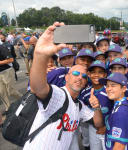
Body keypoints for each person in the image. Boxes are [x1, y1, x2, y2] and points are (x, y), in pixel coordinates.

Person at [23, 22, 104, 150]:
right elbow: (37, 88)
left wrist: (96, 107)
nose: (80, 77)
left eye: (84, 76)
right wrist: (40, 56)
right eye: (76, 73)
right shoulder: (56, 93)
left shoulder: (79, 106)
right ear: (67, 76)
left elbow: (97, 122)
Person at [80, 60, 113, 150]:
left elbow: (117, 111)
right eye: (93, 72)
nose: (96, 75)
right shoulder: (85, 92)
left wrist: (106, 127)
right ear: (89, 74)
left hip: (110, 128)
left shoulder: (110, 91)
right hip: (93, 129)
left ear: (105, 75)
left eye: (100, 72)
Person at [99, 72, 128, 150]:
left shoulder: (121, 112)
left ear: (123, 89)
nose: (109, 89)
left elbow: (119, 146)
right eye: (107, 85)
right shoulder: (121, 103)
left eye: (113, 85)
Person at [0, 45, 22, 111]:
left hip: (6, 71)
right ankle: (8, 108)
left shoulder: (2, 48)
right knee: (1, 92)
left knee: (10, 91)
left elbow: (11, 59)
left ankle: (24, 100)